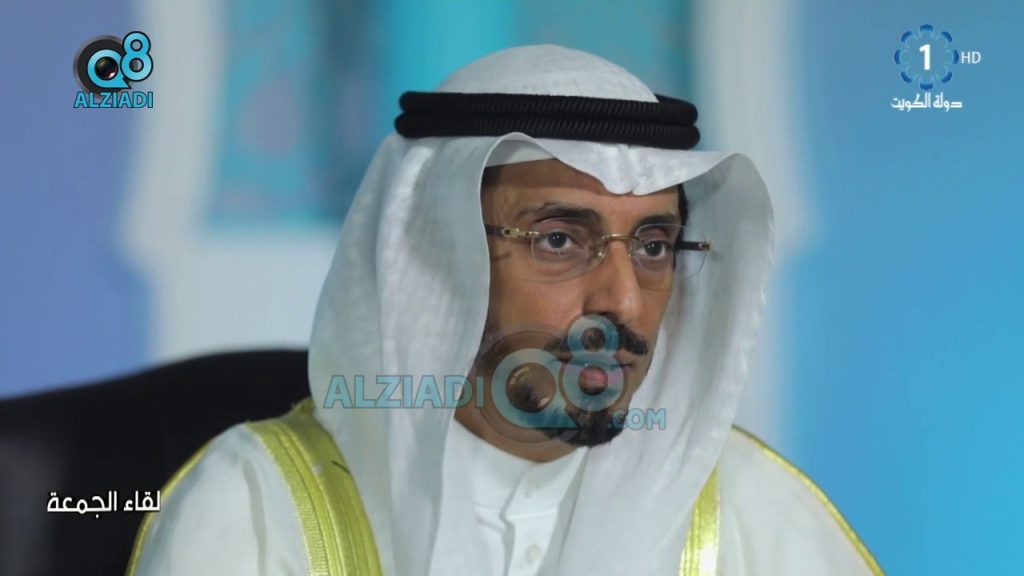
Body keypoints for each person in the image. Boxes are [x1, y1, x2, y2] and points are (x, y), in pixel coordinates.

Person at [127, 45, 884, 576]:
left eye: (654, 246)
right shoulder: (257, 510)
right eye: (559, 240)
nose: (623, 302)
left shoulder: (753, 514)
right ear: (434, 260)